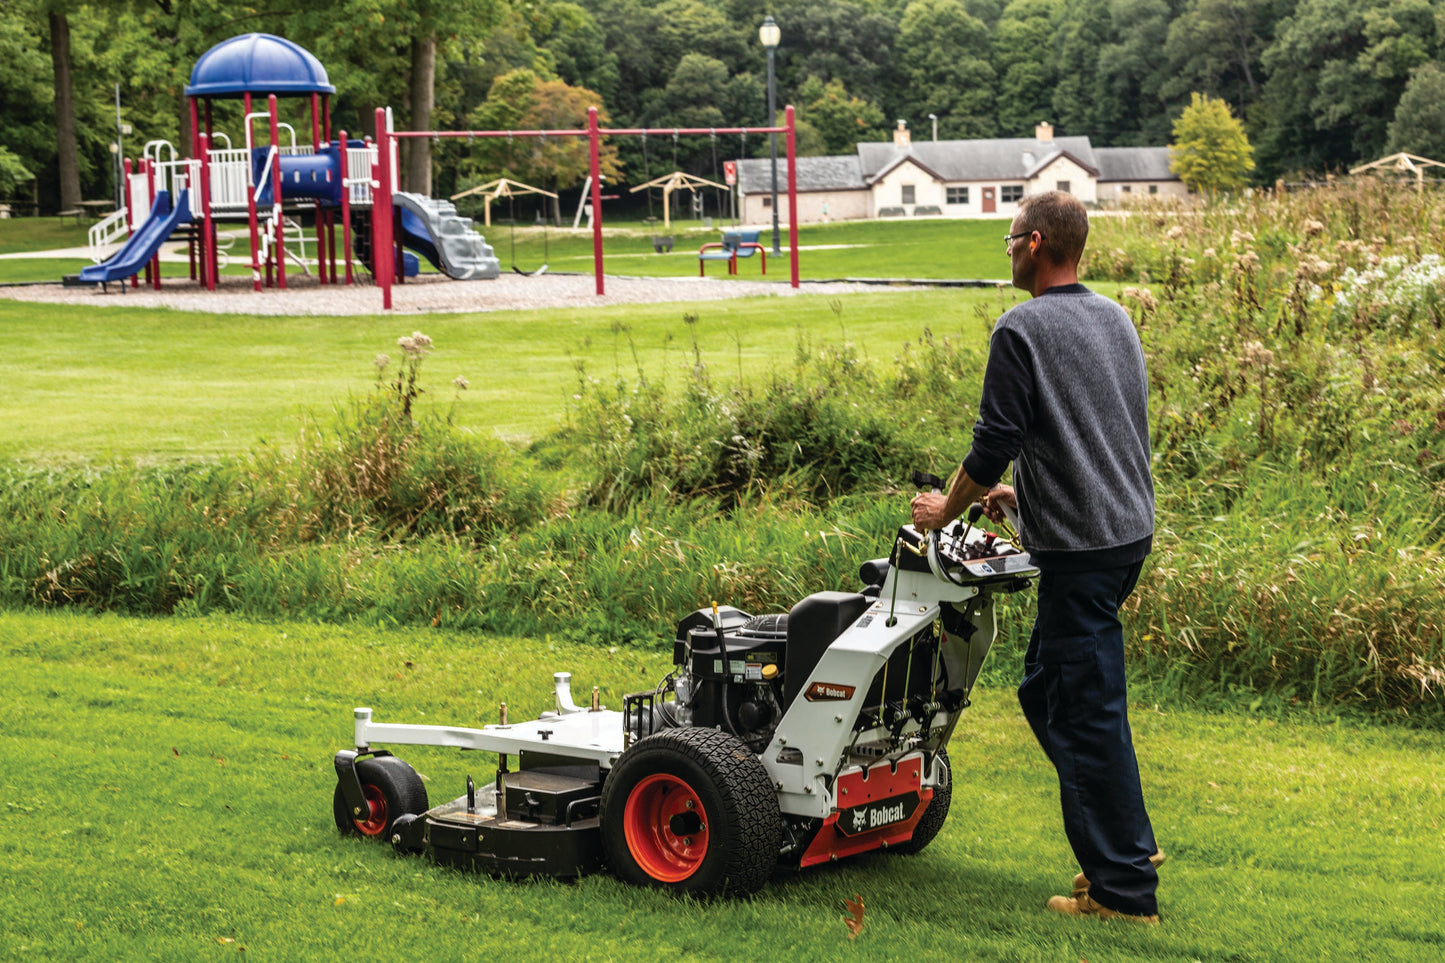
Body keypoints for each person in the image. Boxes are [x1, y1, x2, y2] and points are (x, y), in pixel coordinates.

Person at [910, 190, 1162, 923]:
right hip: (1120, 537)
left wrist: (942, 508)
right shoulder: (1112, 316)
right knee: (1049, 693)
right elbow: (1100, 434)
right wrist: (1025, 499)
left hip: (1082, 554)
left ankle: (1122, 891)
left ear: (1037, 242)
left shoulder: (1020, 327)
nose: (1007, 249)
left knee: (1082, 711)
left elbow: (991, 443)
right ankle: (1127, 840)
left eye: (1010, 237)